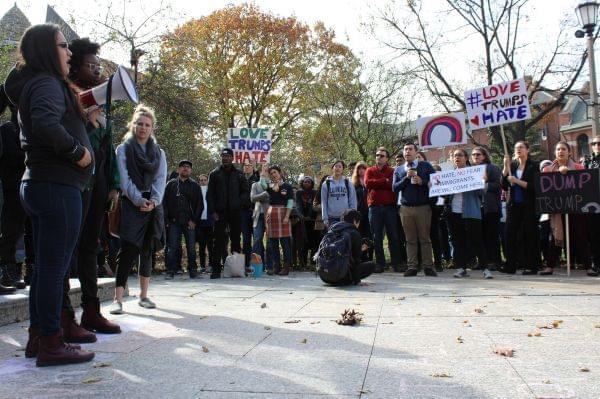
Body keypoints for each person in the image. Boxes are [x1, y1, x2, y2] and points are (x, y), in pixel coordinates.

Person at [5, 24, 95, 366]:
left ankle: (40, 337)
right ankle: (51, 344)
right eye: (62, 45)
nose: (69, 52)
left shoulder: (42, 84)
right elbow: (44, 122)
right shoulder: (45, 83)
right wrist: (77, 152)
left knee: (45, 269)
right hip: (56, 187)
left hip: (46, 185)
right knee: (52, 269)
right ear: (45, 49)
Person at [61, 37, 121, 338]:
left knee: (90, 247)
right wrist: (86, 118)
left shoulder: (100, 101)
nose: (97, 70)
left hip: (97, 183)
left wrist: (113, 185)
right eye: (90, 65)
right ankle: (63, 316)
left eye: (99, 66)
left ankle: (92, 311)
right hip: (73, 181)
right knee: (66, 248)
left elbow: (108, 148)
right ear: (75, 66)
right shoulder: (66, 96)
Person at [110, 104, 167, 314]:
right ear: (132, 125)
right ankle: (118, 299)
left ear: (152, 128)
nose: (143, 128)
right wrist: (137, 199)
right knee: (128, 251)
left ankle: (144, 296)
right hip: (131, 204)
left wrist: (153, 200)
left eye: (147, 124)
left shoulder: (159, 153)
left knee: (147, 250)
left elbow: (161, 179)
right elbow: (124, 180)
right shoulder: (123, 149)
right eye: (139, 124)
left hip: (152, 205)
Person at [540, 141, 595, 276]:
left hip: (576, 210)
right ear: (555, 153)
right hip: (557, 211)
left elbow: (585, 187)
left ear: (569, 152)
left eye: (563, 149)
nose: (561, 152)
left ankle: (588, 266)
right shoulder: (547, 170)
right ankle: (550, 266)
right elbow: (544, 190)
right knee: (555, 238)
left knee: (581, 237)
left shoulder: (579, 167)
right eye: (558, 149)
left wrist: (569, 172)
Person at [444, 149, 491, 279]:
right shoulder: (450, 175)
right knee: (458, 242)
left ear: (466, 158)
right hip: (454, 212)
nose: (457, 157)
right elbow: (444, 193)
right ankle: (461, 268)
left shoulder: (475, 173)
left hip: (471, 212)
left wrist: (482, 182)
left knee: (477, 241)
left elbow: (482, 193)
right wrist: (435, 185)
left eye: (459, 155)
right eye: (454, 155)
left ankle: (485, 269)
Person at [0, 86, 29, 293]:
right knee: (10, 232)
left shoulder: (30, 128)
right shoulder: (7, 130)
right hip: (12, 189)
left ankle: (20, 270)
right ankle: (7, 269)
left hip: (27, 188)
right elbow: (12, 157)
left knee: (23, 233)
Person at [393, 143, 437, 277]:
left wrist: (422, 182)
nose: (407, 152)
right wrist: (407, 178)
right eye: (405, 150)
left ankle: (428, 266)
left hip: (423, 207)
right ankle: (412, 266)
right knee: (410, 239)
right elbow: (395, 188)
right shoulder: (399, 169)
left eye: (410, 149)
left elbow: (436, 183)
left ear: (416, 152)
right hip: (406, 209)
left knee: (424, 238)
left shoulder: (426, 166)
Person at [206, 148, 249, 279]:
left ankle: (236, 270)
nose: (225, 158)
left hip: (235, 212)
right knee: (218, 241)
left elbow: (246, 192)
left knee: (236, 240)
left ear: (232, 158)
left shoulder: (239, 174)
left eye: (228, 156)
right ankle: (216, 270)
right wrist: (213, 211)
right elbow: (210, 195)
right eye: (223, 156)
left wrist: (238, 203)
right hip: (220, 212)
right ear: (221, 158)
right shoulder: (214, 174)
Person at [500, 141, 541, 275]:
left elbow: (535, 186)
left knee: (530, 235)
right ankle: (510, 265)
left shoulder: (534, 166)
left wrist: (517, 181)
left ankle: (531, 266)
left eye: (521, 147)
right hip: (514, 205)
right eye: (516, 148)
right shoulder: (512, 165)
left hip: (529, 205)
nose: (518, 150)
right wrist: (505, 167)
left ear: (527, 150)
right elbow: (504, 185)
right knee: (509, 234)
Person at [164, 160, 202, 279]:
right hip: (174, 222)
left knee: (191, 248)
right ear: (178, 169)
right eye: (183, 167)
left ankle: (193, 271)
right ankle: (170, 271)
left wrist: (194, 220)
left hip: (189, 222)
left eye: (188, 167)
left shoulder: (195, 185)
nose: (185, 169)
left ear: (191, 170)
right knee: (172, 248)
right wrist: (167, 221)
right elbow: (164, 203)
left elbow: (200, 205)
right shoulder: (171, 184)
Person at [365, 147, 402, 272]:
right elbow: (368, 184)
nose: (379, 157)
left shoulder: (392, 171)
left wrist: (378, 183)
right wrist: (383, 180)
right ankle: (380, 263)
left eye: (382, 156)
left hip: (389, 208)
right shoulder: (369, 170)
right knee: (376, 237)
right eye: (377, 155)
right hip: (374, 208)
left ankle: (396, 263)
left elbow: (391, 185)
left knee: (393, 236)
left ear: (386, 158)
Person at [317, 209, 375, 286]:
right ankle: (348, 279)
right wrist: (357, 281)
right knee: (372, 265)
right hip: (340, 277)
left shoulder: (332, 229)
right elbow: (356, 261)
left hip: (324, 276)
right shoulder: (354, 233)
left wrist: (360, 248)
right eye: (358, 222)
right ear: (355, 221)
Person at [471, 146, 502, 270]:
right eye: (473, 155)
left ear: (484, 156)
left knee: (492, 236)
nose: (476, 156)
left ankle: (495, 261)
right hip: (476, 208)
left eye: (478, 154)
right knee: (479, 236)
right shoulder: (470, 171)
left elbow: (499, 185)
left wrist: (483, 184)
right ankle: (483, 261)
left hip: (491, 208)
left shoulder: (493, 168)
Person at [260, 164, 294, 275]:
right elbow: (263, 185)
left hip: (284, 213)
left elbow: (290, 202)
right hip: (272, 213)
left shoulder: (287, 186)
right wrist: (263, 174)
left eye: (275, 172)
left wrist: (287, 216)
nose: (273, 175)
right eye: (271, 173)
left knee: (285, 243)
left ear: (280, 173)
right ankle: (277, 266)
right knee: (273, 243)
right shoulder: (269, 186)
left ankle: (286, 267)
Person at [321, 160, 357, 227]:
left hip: (346, 217)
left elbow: (353, 200)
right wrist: (325, 218)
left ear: (343, 169)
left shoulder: (348, 183)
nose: (338, 168)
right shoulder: (326, 184)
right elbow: (324, 202)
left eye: (340, 167)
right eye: (336, 166)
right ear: (332, 168)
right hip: (331, 218)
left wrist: (353, 215)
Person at [584, 137, 600, 271]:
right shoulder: (587, 161)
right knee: (594, 235)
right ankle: (596, 263)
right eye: (594, 143)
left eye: (599, 143)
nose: (596, 145)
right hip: (593, 203)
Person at [352, 162, 373, 262]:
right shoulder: (354, 184)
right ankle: (362, 256)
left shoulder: (369, 181)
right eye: (359, 168)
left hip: (370, 211)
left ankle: (371, 256)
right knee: (360, 235)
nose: (361, 170)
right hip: (359, 213)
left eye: (363, 168)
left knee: (370, 234)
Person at [295, 176, 317, 268]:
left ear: (312, 183)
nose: (307, 183)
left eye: (309, 182)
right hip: (302, 220)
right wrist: (301, 215)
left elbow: (314, 204)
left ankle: (313, 262)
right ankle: (303, 262)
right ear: (302, 183)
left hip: (312, 220)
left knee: (314, 241)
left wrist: (309, 216)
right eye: (305, 182)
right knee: (303, 241)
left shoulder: (315, 192)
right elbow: (298, 204)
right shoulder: (299, 193)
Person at [241, 161, 260, 271]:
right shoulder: (240, 178)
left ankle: (259, 264)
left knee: (257, 239)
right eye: (245, 166)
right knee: (245, 239)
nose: (247, 167)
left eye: (249, 166)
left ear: (253, 168)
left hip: (256, 211)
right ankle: (246, 264)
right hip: (243, 213)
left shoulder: (257, 178)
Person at [250, 175, 271, 272]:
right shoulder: (255, 185)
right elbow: (252, 198)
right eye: (263, 171)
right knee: (257, 240)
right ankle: (256, 266)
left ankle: (269, 266)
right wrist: (264, 195)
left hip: (270, 216)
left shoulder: (273, 184)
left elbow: (273, 199)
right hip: (258, 216)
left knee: (270, 241)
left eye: (267, 171)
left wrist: (261, 197)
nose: (264, 173)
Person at [195, 174, 213, 274]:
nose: (203, 181)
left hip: (210, 222)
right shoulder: (196, 192)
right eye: (201, 180)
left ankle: (211, 265)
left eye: (205, 180)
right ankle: (202, 266)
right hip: (200, 223)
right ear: (198, 182)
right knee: (201, 246)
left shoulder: (211, 192)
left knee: (210, 246)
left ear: (207, 181)